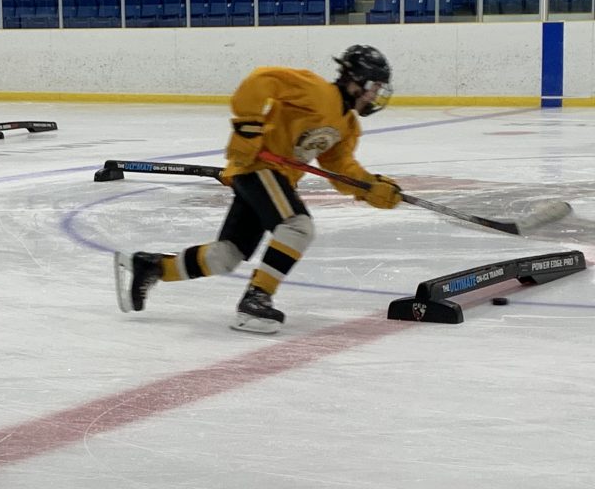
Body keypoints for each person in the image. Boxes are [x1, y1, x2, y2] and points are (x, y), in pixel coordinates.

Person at [114, 45, 402, 335]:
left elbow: (340, 166)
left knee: (225, 256)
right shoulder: (317, 91)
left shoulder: (348, 125)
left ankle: (150, 266)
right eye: (374, 86)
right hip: (258, 168)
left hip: (272, 179)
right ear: (356, 80)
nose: (376, 94)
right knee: (297, 226)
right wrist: (248, 125)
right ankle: (255, 299)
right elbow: (261, 79)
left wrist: (369, 186)